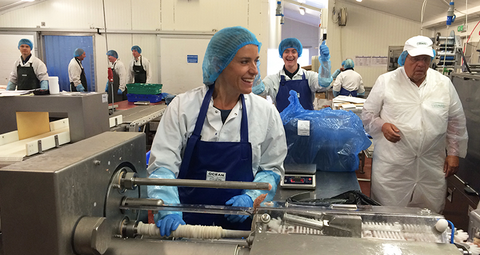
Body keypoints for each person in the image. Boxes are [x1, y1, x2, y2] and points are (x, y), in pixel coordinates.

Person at [147, 26, 287, 236]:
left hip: (243, 231)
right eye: (244, 62)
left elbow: (271, 169)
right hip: (185, 226)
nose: (255, 70)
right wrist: (167, 210)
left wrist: (250, 198)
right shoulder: (182, 107)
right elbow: (163, 166)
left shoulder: (265, 113)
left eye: (255, 61)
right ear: (218, 63)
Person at [361, 35, 468, 213]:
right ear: (405, 58)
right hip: (394, 166)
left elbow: (455, 120)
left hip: (431, 166)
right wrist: (383, 126)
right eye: (415, 59)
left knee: (429, 217)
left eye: (425, 59)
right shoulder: (386, 81)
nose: (421, 64)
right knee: (387, 216)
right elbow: (367, 115)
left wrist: (454, 153)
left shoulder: (443, 84)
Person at [257, 38, 332, 112]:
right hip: (282, 124)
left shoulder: (309, 76)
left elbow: (324, 84)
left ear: (298, 54)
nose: (290, 55)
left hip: (306, 123)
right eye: (286, 51)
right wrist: (254, 64)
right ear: (281, 54)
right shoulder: (273, 79)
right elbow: (258, 90)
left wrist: (325, 61)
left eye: (293, 51)